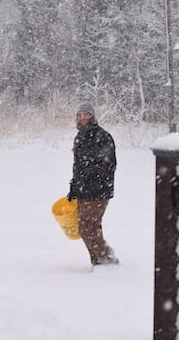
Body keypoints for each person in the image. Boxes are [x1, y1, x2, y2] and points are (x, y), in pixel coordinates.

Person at [67, 103, 118, 267]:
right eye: (80, 115)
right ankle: (100, 259)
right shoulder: (79, 137)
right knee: (86, 227)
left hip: (99, 190)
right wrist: (74, 186)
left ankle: (105, 257)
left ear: (93, 116)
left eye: (86, 114)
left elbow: (109, 164)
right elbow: (77, 165)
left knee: (88, 226)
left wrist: (93, 173)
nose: (83, 118)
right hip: (83, 190)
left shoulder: (103, 136)